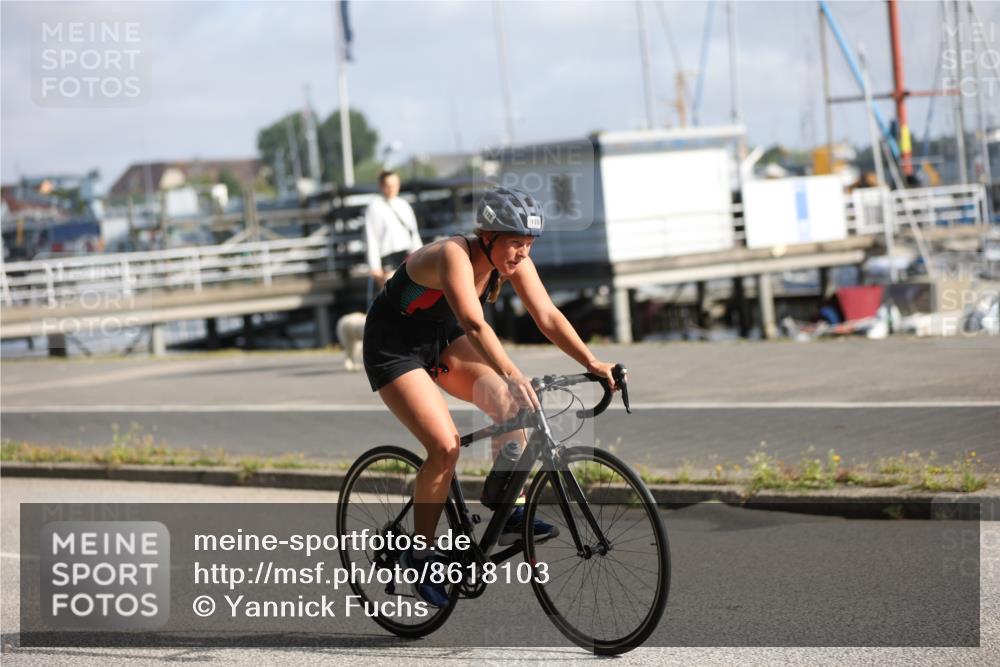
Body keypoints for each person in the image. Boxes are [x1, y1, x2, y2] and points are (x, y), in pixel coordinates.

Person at [362, 186, 621, 607]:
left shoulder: (512, 261)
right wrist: (513, 372)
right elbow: (474, 322)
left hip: (441, 338)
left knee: (514, 406)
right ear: (488, 237)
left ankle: (506, 509)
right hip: (393, 347)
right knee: (444, 447)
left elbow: (548, 315)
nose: (522, 253)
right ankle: (422, 555)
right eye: (515, 243)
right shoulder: (452, 255)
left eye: (529, 244)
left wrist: (593, 362)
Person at [363, 170, 422, 290]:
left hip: (406, 254)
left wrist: (420, 254)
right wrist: (374, 265)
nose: (392, 189)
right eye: (388, 185)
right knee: (390, 293)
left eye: (395, 185)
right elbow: (370, 238)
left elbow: (413, 233)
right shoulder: (374, 207)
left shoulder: (404, 205)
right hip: (387, 256)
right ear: (381, 186)